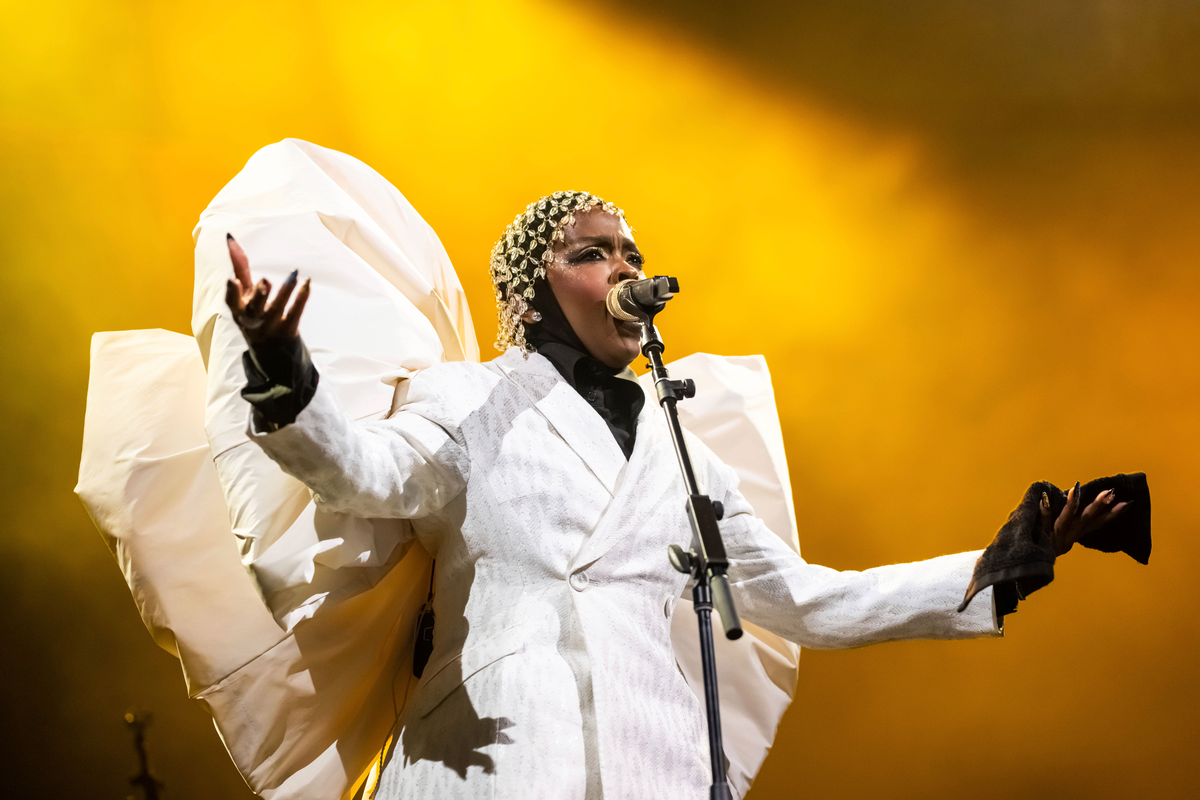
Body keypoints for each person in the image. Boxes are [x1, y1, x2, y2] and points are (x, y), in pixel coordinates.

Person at [223, 190, 1126, 800]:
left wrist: (1009, 562)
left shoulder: (680, 445)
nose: (625, 269)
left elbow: (809, 600)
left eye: (631, 253)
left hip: (657, 761)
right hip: (500, 756)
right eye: (593, 253)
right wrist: (281, 367)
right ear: (536, 290)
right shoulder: (474, 400)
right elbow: (364, 473)